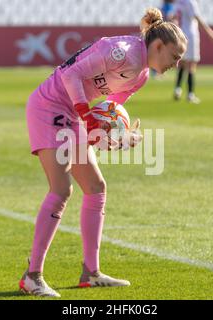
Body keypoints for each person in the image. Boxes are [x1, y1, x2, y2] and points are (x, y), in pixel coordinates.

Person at [20, 8, 187, 298]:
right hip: (50, 106)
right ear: (158, 46)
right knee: (61, 190)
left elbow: (109, 110)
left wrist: (118, 137)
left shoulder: (142, 75)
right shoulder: (124, 52)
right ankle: (32, 276)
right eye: (175, 56)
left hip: (72, 111)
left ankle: (91, 273)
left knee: (96, 188)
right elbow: (70, 75)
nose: (176, 63)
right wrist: (87, 117)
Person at [173, 0, 213, 104]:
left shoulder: (179, 2)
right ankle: (190, 94)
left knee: (182, 63)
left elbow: (174, 18)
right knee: (191, 65)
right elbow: (198, 18)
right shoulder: (191, 2)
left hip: (180, 35)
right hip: (190, 35)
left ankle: (177, 90)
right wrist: (211, 34)